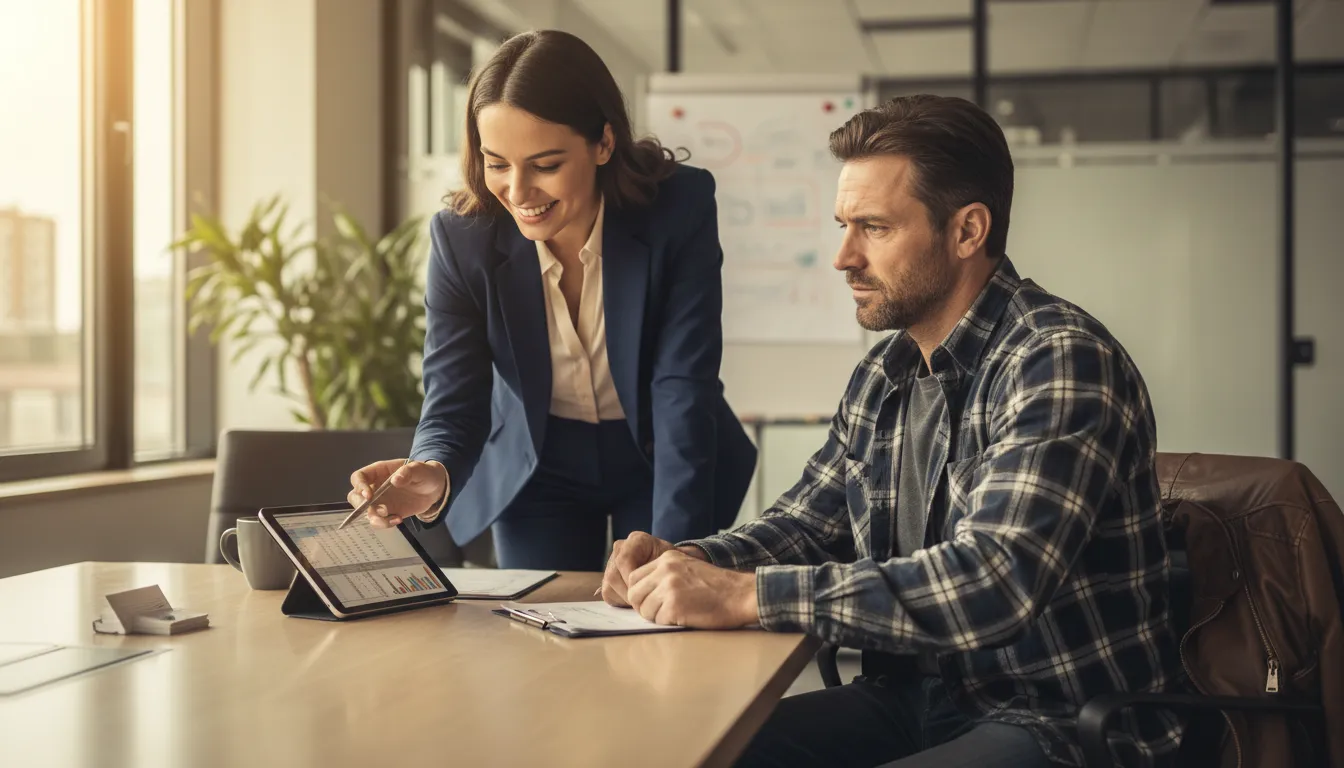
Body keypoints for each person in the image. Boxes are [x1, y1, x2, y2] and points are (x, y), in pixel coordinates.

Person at [599, 95, 1184, 767]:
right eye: (844, 225)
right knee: (698, 752)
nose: (843, 257)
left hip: (1060, 722)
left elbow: (996, 580)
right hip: (917, 699)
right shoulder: (885, 375)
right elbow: (807, 524)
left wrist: (748, 595)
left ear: (966, 232)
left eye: (873, 228)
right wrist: (693, 563)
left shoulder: (1058, 359)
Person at [346, 30, 755, 571]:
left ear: (604, 143)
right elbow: (454, 396)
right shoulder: (463, 239)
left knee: (662, 613)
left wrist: (678, 553)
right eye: (497, 163)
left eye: (544, 165)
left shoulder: (678, 209)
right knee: (540, 632)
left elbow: (683, 383)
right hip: (537, 463)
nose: (518, 191)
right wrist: (435, 468)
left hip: (659, 454)